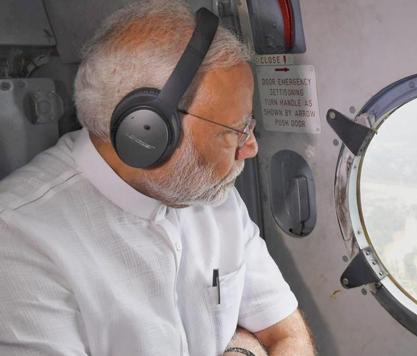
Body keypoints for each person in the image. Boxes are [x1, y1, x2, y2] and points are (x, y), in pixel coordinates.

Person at [0, 1, 314, 355]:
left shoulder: (212, 193)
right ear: (148, 132)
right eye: (236, 130)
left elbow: (287, 334)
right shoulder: (17, 243)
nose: (251, 148)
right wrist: (247, 345)